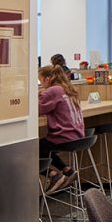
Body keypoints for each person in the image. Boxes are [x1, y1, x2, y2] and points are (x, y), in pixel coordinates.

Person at [38, 64, 84, 192]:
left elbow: (37, 109)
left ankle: (53, 175)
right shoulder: (67, 88)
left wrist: (39, 95)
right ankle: (67, 170)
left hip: (64, 136)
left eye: (41, 81)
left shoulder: (53, 91)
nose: (42, 84)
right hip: (77, 135)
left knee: (30, 150)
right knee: (44, 148)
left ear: (47, 79)